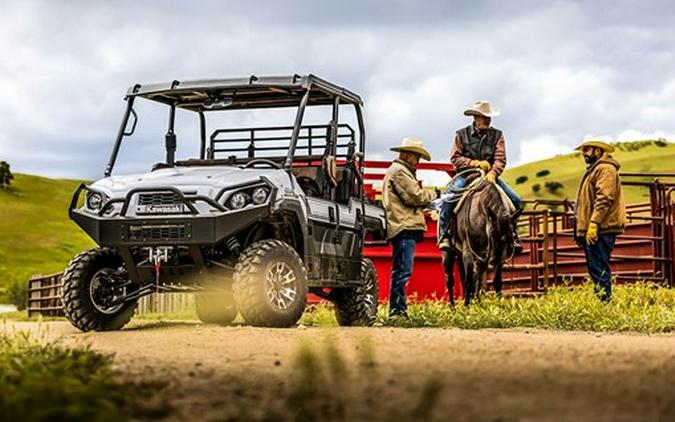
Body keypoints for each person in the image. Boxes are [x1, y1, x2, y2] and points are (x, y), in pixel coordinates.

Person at [437, 101, 522, 303]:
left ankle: (513, 236)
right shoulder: (461, 134)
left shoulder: (497, 135)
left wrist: (493, 173)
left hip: (489, 177)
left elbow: (501, 158)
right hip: (466, 175)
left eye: (488, 117)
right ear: (475, 117)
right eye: (483, 117)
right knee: (447, 201)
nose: (486, 120)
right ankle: (445, 235)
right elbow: (455, 158)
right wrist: (474, 163)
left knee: (515, 201)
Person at [383, 138, 439, 318]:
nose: (418, 161)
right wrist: (435, 194)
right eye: (417, 157)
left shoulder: (398, 171)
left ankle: (398, 309)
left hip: (401, 224)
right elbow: (414, 197)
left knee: (400, 270)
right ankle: (397, 311)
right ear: (408, 155)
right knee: (402, 271)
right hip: (403, 226)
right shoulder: (400, 172)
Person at [574, 138, 626, 302]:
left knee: (599, 267)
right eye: (584, 150)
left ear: (598, 150)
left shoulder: (605, 169)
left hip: (601, 228)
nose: (584, 154)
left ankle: (604, 303)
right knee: (596, 267)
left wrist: (594, 223)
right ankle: (602, 302)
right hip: (597, 227)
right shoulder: (597, 169)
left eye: (587, 150)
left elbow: (604, 198)